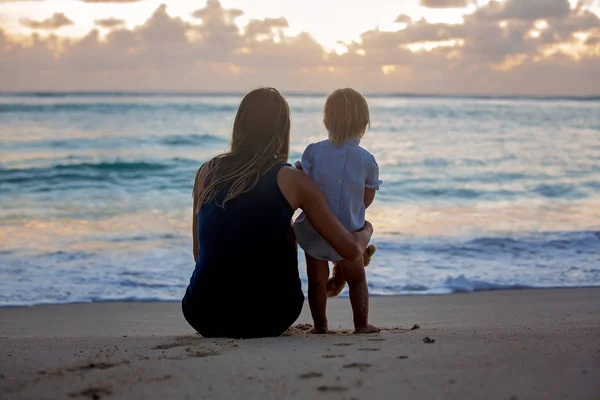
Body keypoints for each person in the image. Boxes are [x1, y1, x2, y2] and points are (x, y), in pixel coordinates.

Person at [182, 87, 374, 339]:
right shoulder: (291, 179)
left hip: (202, 313)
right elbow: (349, 250)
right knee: (289, 228)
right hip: (270, 316)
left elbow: (199, 253)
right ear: (283, 130)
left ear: (239, 125)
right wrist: (367, 228)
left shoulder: (206, 172)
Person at [293, 88, 382, 334]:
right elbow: (367, 198)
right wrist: (351, 208)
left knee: (317, 280)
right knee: (356, 279)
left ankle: (320, 326)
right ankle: (361, 324)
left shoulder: (313, 151)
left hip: (315, 229)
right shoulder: (367, 160)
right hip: (350, 232)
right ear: (364, 125)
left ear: (326, 122)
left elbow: (304, 187)